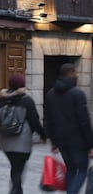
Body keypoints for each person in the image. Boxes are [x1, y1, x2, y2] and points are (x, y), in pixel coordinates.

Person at [0, 73, 46, 194]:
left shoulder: (1, 101)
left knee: (15, 166)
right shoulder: (27, 101)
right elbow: (34, 121)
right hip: (23, 141)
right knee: (19, 167)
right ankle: (15, 190)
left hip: (5, 140)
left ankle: (16, 189)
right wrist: (43, 135)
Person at [44, 63, 93, 194]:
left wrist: (53, 141)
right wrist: (90, 145)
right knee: (82, 169)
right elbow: (84, 121)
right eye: (76, 73)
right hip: (78, 141)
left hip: (61, 140)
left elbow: (48, 120)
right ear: (70, 73)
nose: (77, 75)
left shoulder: (50, 94)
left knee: (71, 169)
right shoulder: (78, 94)